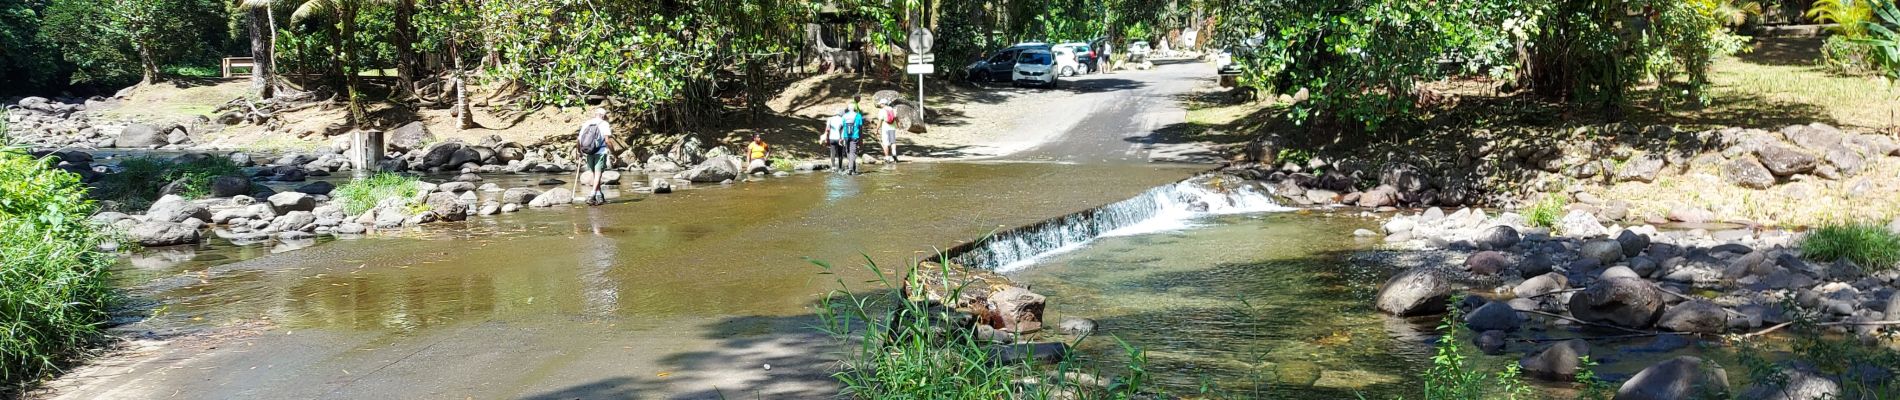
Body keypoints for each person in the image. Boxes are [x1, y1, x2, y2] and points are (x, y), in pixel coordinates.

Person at [576, 107, 615, 205]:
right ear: (603, 115)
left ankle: (599, 195)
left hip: (588, 151)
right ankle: (592, 194)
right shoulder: (604, 124)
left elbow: (579, 140)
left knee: (594, 174)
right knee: (598, 174)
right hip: (600, 151)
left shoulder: (587, 123)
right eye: (605, 116)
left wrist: (579, 151)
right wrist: (614, 153)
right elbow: (607, 141)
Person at [841, 97, 864, 174]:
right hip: (855, 136)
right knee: (853, 152)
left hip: (846, 136)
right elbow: (860, 128)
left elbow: (842, 127)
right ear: (854, 108)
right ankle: (851, 169)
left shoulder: (844, 116)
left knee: (848, 151)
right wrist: (861, 140)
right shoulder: (858, 116)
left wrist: (841, 138)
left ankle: (852, 168)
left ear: (848, 108)